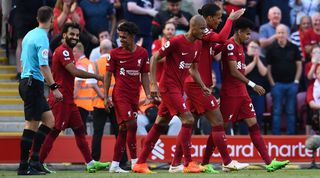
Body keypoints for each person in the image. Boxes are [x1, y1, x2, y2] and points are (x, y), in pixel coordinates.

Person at [169, 4, 248, 173]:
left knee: (188, 124)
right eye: (219, 18)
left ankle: (175, 163)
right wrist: (231, 21)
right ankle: (227, 161)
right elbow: (219, 39)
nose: (220, 20)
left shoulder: (205, 33)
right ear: (209, 18)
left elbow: (215, 47)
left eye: (222, 18)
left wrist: (228, 41)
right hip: (197, 85)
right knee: (218, 121)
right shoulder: (203, 30)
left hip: (196, 84)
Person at [132, 15, 211, 174]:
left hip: (178, 89)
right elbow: (154, 57)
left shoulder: (197, 44)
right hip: (168, 88)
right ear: (192, 27)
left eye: (205, 28)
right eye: (202, 28)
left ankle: (141, 163)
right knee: (188, 119)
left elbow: (193, 70)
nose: (205, 31)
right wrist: (154, 83)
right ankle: (188, 163)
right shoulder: (176, 41)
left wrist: (202, 86)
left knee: (159, 124)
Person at [220, 17, 289, 172]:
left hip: (243, 94)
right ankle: (207, 162)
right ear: (239, 32)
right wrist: (252, 84)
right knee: (221, 128)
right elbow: (232, 71)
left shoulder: (240, 47)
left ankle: (269, 162)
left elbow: (240, 70)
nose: (248, 36)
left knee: (254, 124)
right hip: (230, 94)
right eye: (247, 34)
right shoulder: (230, 46)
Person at [39, 22, 109, 173]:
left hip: (69, 100)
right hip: (61, 99)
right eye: (72, 34)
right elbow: (74, 72)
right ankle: (38, 162)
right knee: (54, 131)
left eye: (77, 35)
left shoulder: (68, 51)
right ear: (64, 35)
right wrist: (97, 76)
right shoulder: (63, 51)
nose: (75, 37)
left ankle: (90, 162)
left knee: (79, 130)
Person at [17, 6, 63, 176]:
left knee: (50, 121)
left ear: (37, 18)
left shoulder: (30, 34)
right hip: (32, 84)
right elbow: (44, 65)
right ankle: (23, 167)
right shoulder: (43, 37)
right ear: (52, 19)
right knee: (31, 124)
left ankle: (34, 162)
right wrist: (54, 88)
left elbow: (23, 58)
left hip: (27, 81)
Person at [104, 21, 151, 173]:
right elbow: (108, 74)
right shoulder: (115, 53)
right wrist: (105, 97)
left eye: (124, 37)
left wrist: (148, 94)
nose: (121, 40)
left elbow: (144, 75)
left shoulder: (142, 53)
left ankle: (115, 165)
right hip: (120, 95)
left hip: (134, 97)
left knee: (124, 128)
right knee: (132, 125)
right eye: (119, 37)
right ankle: (136, 162)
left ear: (132, 36)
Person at [266, 24, 302, 135]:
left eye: (283, 32)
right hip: (277, 85)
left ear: (287, 34)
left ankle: (291, 135)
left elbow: (299, 65)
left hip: (292, 84)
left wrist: (296, 81)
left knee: (291, 111)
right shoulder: (271, 48)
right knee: (276, 111)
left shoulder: (294, 47)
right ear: (276, 34)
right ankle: (276, 136)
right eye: (279, 32)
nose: (281, 35)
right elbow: (268, 68)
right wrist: (272, 83)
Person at [237, 40, 267, 134]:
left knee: (258, 114)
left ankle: (257, 135)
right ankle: (243, 136)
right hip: (245, 92)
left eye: (256, 48)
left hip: (258, 92)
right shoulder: (242, 58)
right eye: (252, 47)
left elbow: (264, 72)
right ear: (247, 48)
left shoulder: (262, 59)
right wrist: (254, 62)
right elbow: (243, 72)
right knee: (244, 115)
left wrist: (257, 60)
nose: (254, 49)